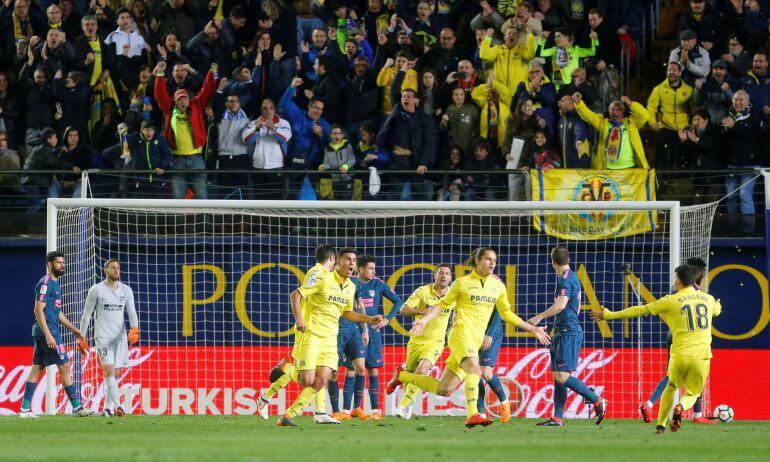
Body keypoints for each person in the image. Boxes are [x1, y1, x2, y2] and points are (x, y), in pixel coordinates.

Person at [386, 247, 551, 427]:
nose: (493, 263)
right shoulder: (461, 283)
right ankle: (474, 414)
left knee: (444, 389)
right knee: (475, 369)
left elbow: (506, 313)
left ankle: (402, 376)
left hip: (476, 340)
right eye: (488, 259)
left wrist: (532, 329)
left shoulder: (498, 286)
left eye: (495, 260)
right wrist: (423, 321)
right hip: (460, 335)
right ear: (477, 261)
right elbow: (442, 305)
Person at [592, 264, 721, 433]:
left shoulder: (671, 300)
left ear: (678, 281)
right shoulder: (708, 299)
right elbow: (717, 311)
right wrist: (718, 305)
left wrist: (610, 315)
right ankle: (681, 407)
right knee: (692, 394)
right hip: (701, 356)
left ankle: (661, 425)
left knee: (671, 387)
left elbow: (640, 310)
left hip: (679, 355)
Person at [276, 248, 383, 427]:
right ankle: (285, 366)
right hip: (312, 334)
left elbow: (348, 313)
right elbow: (295, 295)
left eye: (354, 260)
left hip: (330, 339)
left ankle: (288, 415)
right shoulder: (323, 278)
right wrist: (299, 320)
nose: (351, 263)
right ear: (337, 262)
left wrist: (369, 319)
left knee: (321, 380)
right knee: (306, 380)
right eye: (347, 259)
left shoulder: (351, 286)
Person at [256, 244, 337, 424]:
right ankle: (271, 389)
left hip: (322, 332)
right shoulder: (317, 273)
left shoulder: (330, 277)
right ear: (332, 258)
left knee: (320, 373)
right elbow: (297, 294)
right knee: (305, 376)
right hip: (308, 331)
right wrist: (300, 320)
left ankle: (320, 411)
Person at [527, 247, 608, 426]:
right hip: (562, 330)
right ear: (569, 259)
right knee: (559, 376)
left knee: (562, 376)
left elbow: (561, 305)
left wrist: (539, 317)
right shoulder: (570, 277)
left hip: (568, 331)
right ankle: (557, 417)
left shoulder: (565, 279)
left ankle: (597, 400)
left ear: (552, 262)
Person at [639, 258, 716, 426]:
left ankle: (650, 404)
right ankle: (696, 414)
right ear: (698, 273)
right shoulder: (696, 291)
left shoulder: (677, 289)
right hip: (688, 339)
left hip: (675, 335)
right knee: (694, 375)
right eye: (703, 272)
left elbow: (666, 311)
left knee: (672, 376)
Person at [18, 251, 94, 418]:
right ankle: (77, 407)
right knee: (64, 366)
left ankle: (24, 409)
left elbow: (56, 312)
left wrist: (74, 329)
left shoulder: (55, 284)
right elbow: (38, 309)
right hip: (49, 332)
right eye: (59, 262)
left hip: (46, 331)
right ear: (50, 264)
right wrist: (48, 334)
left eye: (63, 262)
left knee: (37, 368)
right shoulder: (45, 283)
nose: (62, 265)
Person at [78, 259, 139, 417]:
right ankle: (119, 406)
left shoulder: (126, 290)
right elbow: (87, 315)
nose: (116, 270)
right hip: (103, 337)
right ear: (105, 271)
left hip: (120, 337)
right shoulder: (96, 290)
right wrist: (81, 336)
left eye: (118, 268)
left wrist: (135, 329)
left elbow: (132, 312)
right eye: (112, 268)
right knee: (110, 370)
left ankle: (107, 408)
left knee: (116, 373)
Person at [394, 264, 454, 419]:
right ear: (435, 275)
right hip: (416, 341)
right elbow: (403, 310)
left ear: (450, 278)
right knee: (410, 375)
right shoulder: (422, 291)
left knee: (422, 371)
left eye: (447, 273)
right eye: (441, 272)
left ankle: (402, 406)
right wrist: (424, 311)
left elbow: (459, 315)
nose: (444, 276)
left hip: (436, 342)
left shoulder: (452, 296)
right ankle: (409, 402)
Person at [153, 60, 216, 199]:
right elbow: (160, 95)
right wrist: (160, 74)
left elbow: (207, 90)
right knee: (178, 198)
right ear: (175, 101)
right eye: (179, 99)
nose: (182, 101)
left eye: (185, 99)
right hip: (177, 160)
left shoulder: (197, 105)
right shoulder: (169, 109)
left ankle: (204, 216)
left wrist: (212, 72)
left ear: (189, 99)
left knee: (202, 197)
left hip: (196, 159)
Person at [350, 255, 403, 420]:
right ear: (361, 269)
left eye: (374, 268)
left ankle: (375, 410)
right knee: (355, 369)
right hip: (353, 330)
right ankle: (355, 408)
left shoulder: (378, 284)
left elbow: (398, 302)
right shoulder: (350, 283)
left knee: (372, 369)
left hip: (373, 331)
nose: (374, 271)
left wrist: (387, 319)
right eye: (371, 268)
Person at [573, 92, 650, 170]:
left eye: (618, 110)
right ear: (608, 111)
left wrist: (631, 104)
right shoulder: (602, 122)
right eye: (612, 109)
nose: (615, 112)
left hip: (630, 168)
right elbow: (588, 115)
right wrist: (579, 103)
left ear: (623, 111)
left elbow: (645, 115)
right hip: (607, 169)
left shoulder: (632, 122)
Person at [243, 98, 291, 200]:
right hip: (258, 167)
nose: (268, 111)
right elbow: (246, 139)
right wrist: (256, 128)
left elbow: (284, 138)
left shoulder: (283, 123)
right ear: (261, 110)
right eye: (265, 108)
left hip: (277, 167)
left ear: (275, 109)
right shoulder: (253, 123)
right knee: (259, 201)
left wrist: (273, 128)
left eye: (271, 108)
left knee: (276, 201)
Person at [120, 120, 172, 198]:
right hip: (141, 181)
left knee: (158, 204)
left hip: (158, 180)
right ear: (141, 130)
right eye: (147, 130)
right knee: (139, 204)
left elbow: (167, 155)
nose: (150, 133)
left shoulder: (160, 139)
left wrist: (162, 167)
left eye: (152, 130)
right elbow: (122, 139)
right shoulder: (135, 138)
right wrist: (120, 131)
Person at [215, 92, 250, 197]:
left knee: (243, 192)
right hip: (224, 157)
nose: (234, 103)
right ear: (226, 104)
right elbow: (215, 103)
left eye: (236, 101)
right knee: (225, 192)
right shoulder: (220, 116)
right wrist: (220, 90)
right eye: (231, 101)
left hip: (242, 157)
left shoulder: (246, 115)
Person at [318, 124, 356, 200]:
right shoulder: (328, 148)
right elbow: (327, 162)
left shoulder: (347, 145)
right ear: (331, 135)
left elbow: (352, 160)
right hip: (335, 180)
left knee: (346, 201)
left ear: (342, 135)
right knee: (337, 201)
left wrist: (345, 166)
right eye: (334, 133)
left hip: (348, 179)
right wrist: (323, 166)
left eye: (339, 133)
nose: (337, 135)